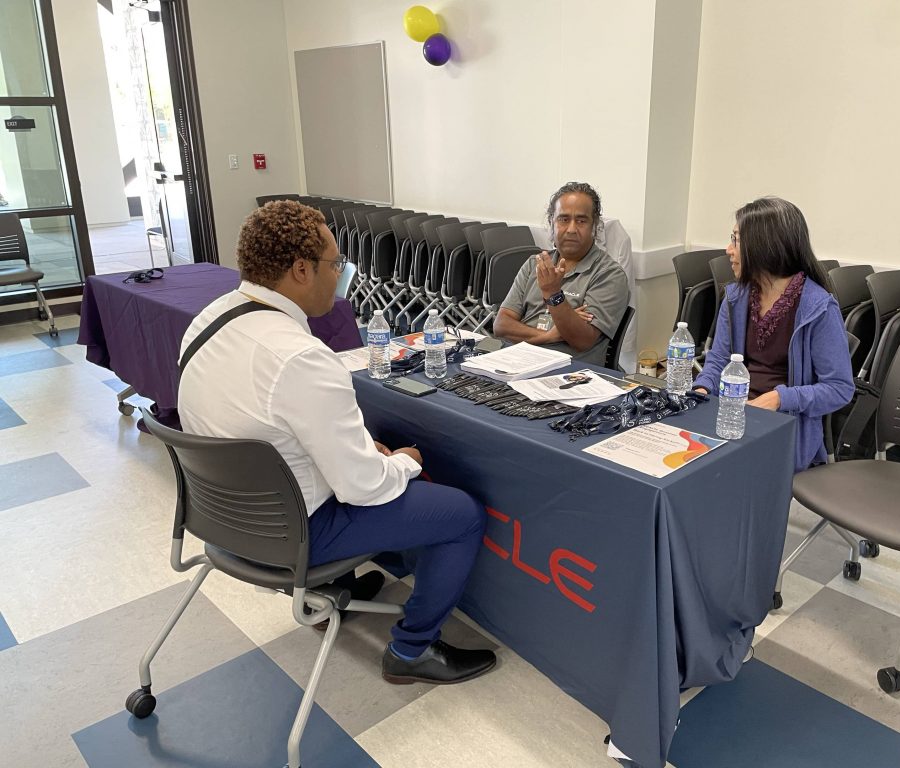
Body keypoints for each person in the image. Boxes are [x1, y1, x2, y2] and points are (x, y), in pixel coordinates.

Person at [177, 200, 495, 685]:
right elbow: (365, 489)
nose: (341, 275)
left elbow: (272, 428)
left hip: (222, 520)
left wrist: (362, 451)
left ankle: (331, 593)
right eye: (336, 264)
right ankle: (412, 650)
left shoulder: (206, 322)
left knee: (351, 461)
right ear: (302, 270)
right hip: (290, 535)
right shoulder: (301, 357)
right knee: (461, 515)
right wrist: (406, 462)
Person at [692, 197, 854, 471]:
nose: (728, 249)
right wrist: (701, 388)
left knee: (716, 475)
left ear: (764, 246)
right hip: (733, 413)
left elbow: (840, 389)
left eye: (736, 240)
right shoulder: (736, 297)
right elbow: (718, 360)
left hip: (784, 425)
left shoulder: (818, 307)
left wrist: (779, 399)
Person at [493, 181, 629, 365]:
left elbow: (582, 340)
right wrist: (550, 335)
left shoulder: (609, 274)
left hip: (569, 374)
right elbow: (501, 326)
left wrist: (553, 294)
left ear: (594, 225)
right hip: (515, 362)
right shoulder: (534, 264)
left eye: (581, 221)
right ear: (552, 222)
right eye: (564, 219)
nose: (572, 229)